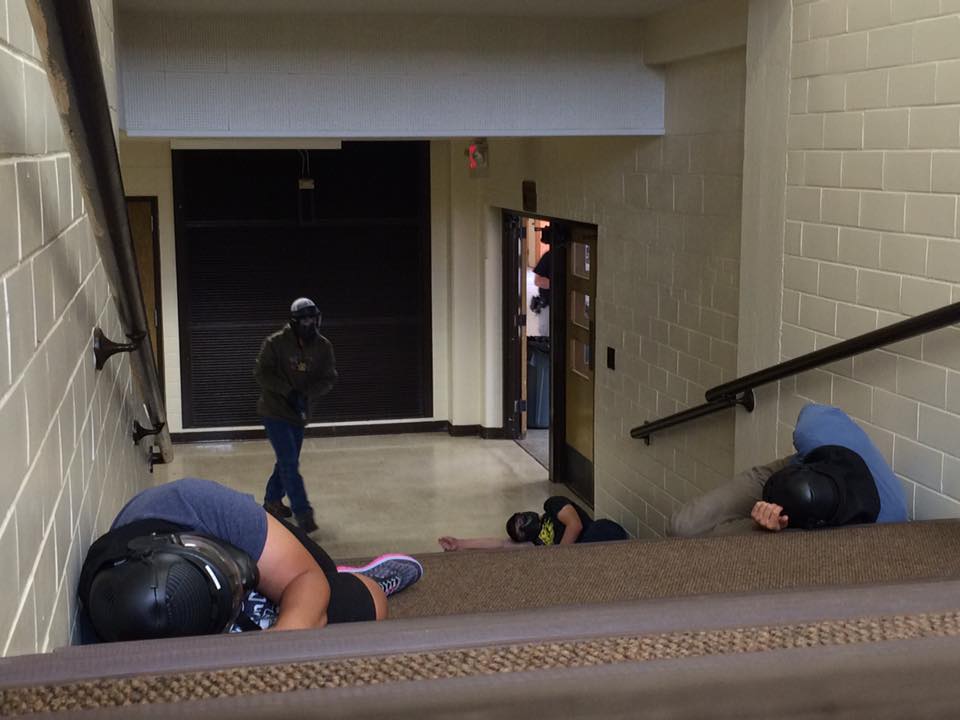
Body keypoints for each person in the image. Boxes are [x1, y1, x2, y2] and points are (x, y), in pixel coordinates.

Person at [78, 478, 423, 643]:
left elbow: (303, 576)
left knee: (360, 593)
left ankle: (346, 575)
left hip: (260, 552)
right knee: (354, 608)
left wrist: (280, 644)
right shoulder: (112, 630)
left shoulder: (195, 505)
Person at [668, 403, 909, 537]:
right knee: (683, 525)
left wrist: (771, 526)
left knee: (699, 543)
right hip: (795, 468)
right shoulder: (815, 433)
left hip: (797, 524)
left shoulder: (884, 523)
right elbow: (812, 409)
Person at [254, 297, 337, 533]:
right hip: (274, 411)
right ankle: (303, 513)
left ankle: (272, 501)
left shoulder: (323, 346)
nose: (310, 324)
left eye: (314, 318)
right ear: (295, 322)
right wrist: (287, 392)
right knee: (290, 463)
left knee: (286, 461)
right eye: (305, 319)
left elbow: (329, 377)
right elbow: (261, 373)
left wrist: (307, 395)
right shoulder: (276, 343)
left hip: (299, 414)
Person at [438, 495, 628, 551]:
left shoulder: (552, 505)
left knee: (602, 527)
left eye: (520, 520)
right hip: (581, 556)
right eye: (520, 530)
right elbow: (501, 543)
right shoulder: (535, 543)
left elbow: (575, 525)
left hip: (591, 537)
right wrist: (460, 543)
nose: (523, 524)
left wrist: (559, 557)